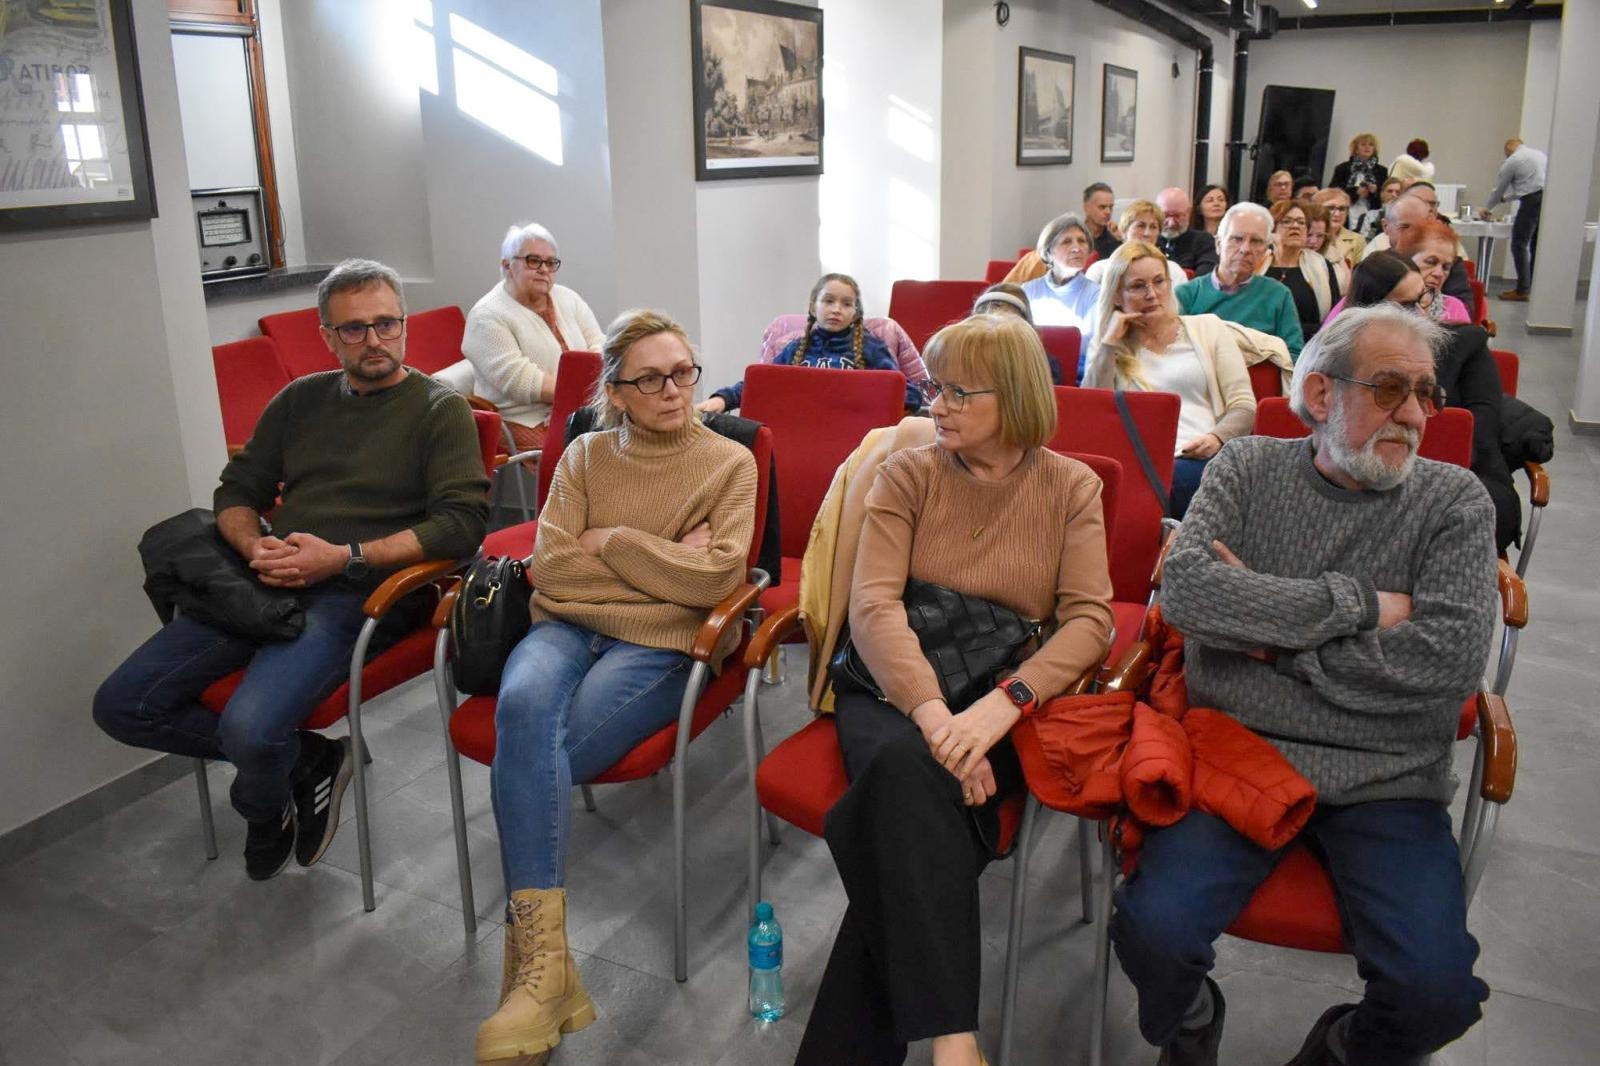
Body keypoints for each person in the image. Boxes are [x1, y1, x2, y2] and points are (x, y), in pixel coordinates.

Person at [1111, 303, 1497, 1066]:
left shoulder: (1455, 501)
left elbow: (1447, 662)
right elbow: (1188, 596)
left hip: (1389, 780)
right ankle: (1190, 1021)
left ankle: (1344, 1049)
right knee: (1150, 929)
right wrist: (1356, 606)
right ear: (1320, 395)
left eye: (1427, 393)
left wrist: (1274, 643)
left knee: (1437, 993)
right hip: (1237, 755)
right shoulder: (1247, 467)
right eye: (1391, 389)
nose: (1416, 413)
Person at [94, 259, 491, 882]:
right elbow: (237, 491)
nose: (375, 341)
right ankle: (308, 760)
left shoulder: (439, 410)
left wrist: (341, 558)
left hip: (356, 593)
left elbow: (461, 527)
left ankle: (260, 803)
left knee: (252, 728)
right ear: (327, 336)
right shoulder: (300, 400)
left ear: (404, 325)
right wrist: (255, 547)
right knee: (122, 705)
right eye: (354, 330)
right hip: (265, 581)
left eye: (387, 323)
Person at [795, 313, 1114, 1066]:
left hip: (1000, 698)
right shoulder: (906, 473)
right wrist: (941, 722)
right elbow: (873, 609)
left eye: (957, 393)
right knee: (912, 768)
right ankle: (953, 1035)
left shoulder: (1070, 486)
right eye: (933, 387)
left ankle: (936, 1039)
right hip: (893, 686)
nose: (935, 405)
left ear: (1013, 397)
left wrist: (999, 709)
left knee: (900, 815)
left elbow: (1090, 622)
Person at [478, 309, 757, 1064]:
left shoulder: (731, 462)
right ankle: (545, 967)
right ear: (618, 391)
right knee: (520, 705)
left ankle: (531, 963)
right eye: (651, 379)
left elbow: (718, 577)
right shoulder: (585, 456)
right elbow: (553, 567)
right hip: (566, 623)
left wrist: (616, 541)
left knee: (545, 751)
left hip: (663, 641)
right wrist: (667, 557)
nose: (674, 390)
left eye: (684, 373)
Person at [1340, 254, 1519, 550]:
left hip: (1469, 477)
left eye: (1423, 297)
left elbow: (1480, 439)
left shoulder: (1468, 344)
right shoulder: (1345, 360)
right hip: (1371, 479)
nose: (1422, 314)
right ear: (1369, 313)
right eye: (1406, 306)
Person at [1083, 243, 1256, 518]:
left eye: (1158, 281)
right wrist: (1108, 344)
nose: (1152, 294)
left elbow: (1244, 405)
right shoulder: (1109, 347)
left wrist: (1216, 437)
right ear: (1117, 295)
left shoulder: (1208, 328)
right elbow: (1093, 410)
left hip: (1204, 456)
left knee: (1184, 482)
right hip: (1142, 461)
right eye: (1138, 286)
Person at [462, 223, 606, 455]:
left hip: (579, 402)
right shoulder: (487, 316)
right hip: (522, 418)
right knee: (588, 449)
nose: (544, 269)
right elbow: (522, 382)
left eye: (550, 262)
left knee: (629, 428)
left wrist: (579, 400)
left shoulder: (567, 297)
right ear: (507, 265)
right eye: (533, 260)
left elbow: (599, 343)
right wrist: (579, 398)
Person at [699, 273, 921, 413]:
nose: (836, 309)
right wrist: (722, 399)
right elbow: (761, 383)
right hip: (802, 430)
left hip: (853, 437)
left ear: (855, 313)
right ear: (814, 307)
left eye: (846, 304)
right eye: (829, 301)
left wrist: (860, 396)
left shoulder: (872, 348)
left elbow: (909, 394)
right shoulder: (795, 348)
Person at [1176, 203, 1305, 358]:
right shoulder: (1186, 295)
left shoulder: (1279, 296)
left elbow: (1294, 357)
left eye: (1256, 241)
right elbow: (1175, 354)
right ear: (1218, 244)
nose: (1245, 249)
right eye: (1237, 239)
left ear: (1265, 251)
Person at [1020, 213, 1103, 380]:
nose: (1076, 248)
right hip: (1031, 374)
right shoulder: (1028, 291)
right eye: (1067, 241)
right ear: (1048, 252)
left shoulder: (1096, 293)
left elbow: (1090, 348)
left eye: (1082, 241)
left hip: (1077, 377)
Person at [1259, 200, 1341, 343]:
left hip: (1310, 344)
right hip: (1262, 344)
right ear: (1272, 230)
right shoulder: (1258, 264)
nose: (1295, 226)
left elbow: (1334, 315)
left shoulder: (1321, 266)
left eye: (1301, 222)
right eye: (1287, 221)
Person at [1484, 137, 1547, 301]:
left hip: (1531, 203)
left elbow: (1499, 188)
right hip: (1546, 201)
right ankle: (1533, 287)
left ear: (1508, 149)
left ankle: (1522, 290)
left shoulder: (1513, 161)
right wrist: (1505, 199)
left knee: (1519, 243)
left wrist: (1487, 208)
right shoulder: (1539, 155)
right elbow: (1527, 188)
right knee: (1536, 245)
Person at [1088, 201, 1187, 289]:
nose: (1147, 233)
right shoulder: (1100, 270)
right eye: (1140, 226)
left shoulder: (1174, 272)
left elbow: (1180, 309)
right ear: (1123, 231)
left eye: (1153, 227)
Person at [1156, 186, 1220, 275]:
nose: (1171, 223)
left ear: (1189, 212)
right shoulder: (1148, 240)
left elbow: (1203, 279)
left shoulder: (1204, 241)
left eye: (1178, 216)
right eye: (1166, 215)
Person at [1328, 133, 1386, 222]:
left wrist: (1375, 191)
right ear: (1356, 149)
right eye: (1363, 144)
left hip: (1371, 212)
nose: (1367, 147)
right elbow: (1333, 191)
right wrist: (1355, 192)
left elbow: (1386, 195)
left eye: (1371, 145)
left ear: (1374, 149)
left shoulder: (1382, 171)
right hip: (1346, 211)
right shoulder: (1342, 168)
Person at [1313, 187, 1368, 265]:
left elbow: (1359, 273)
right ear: (1316, 209)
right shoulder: (1306, 236)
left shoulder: (1358, 240)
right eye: (1331, 208)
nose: (1337, 214)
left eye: (1342, 209)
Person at [1084, 181, 1123, 259]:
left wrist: (1122, 240)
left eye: (1111, 207)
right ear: (1086, 207)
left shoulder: (1115, 239)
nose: (1108, 212)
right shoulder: (1076, 238)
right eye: (1102, 207)